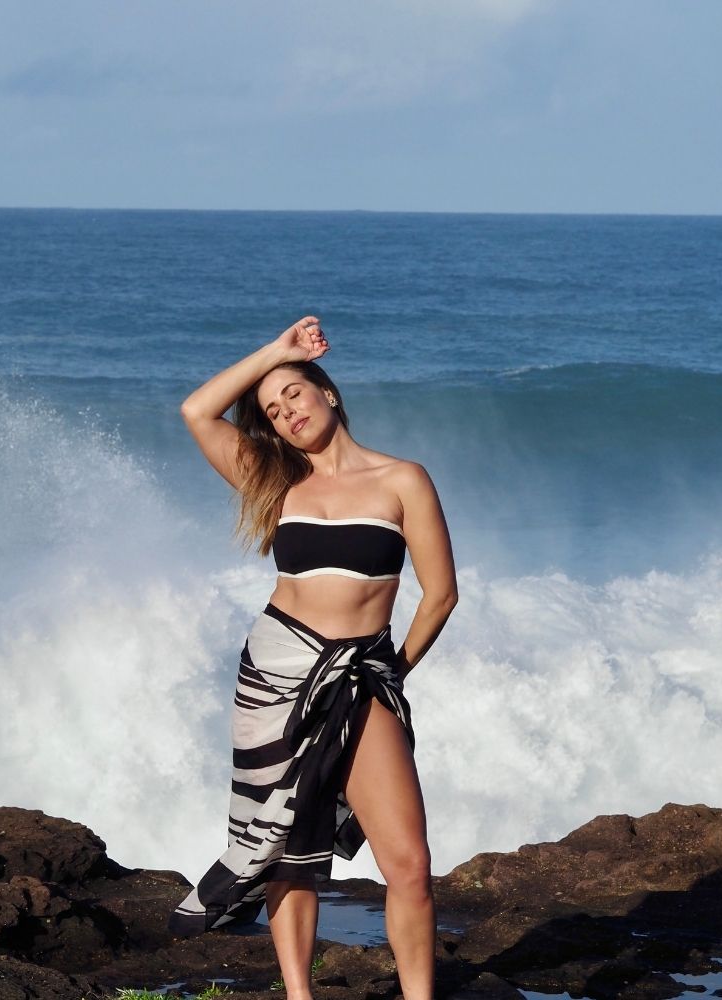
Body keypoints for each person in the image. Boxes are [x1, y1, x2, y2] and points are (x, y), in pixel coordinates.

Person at [168, 316, 458, 1000]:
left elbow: (440, 596)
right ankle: (298, 995)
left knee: (409, 863)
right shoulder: (273, 480)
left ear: (328, 393)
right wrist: (276, 352)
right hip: (272, 680)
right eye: (272, 410)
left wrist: (387, 675)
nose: (286, 411)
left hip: (359, 678)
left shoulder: (402, 480)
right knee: (285, 853)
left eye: (294, 393)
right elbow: (196, 410)